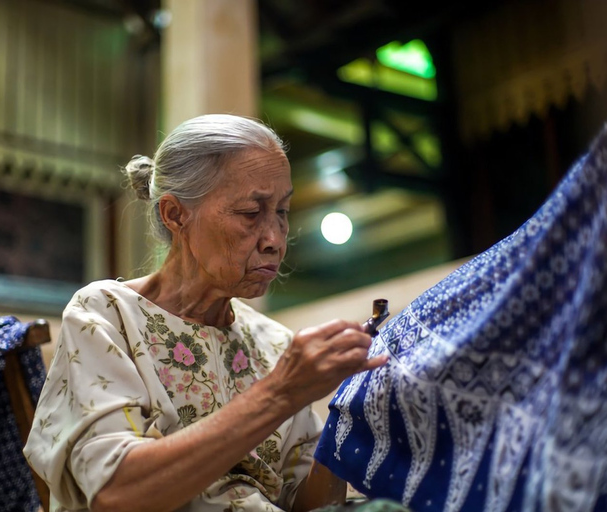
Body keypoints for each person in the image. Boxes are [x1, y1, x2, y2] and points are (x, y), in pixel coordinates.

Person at [24, 114, 389, 512]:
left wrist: (349, 417)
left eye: (282, 212)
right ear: (176, 215)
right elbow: (116, 492)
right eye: (252, 213)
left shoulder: (274, 343)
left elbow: (307, 505)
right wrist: (282, 392)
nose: (274, 240)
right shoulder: (108, 314)